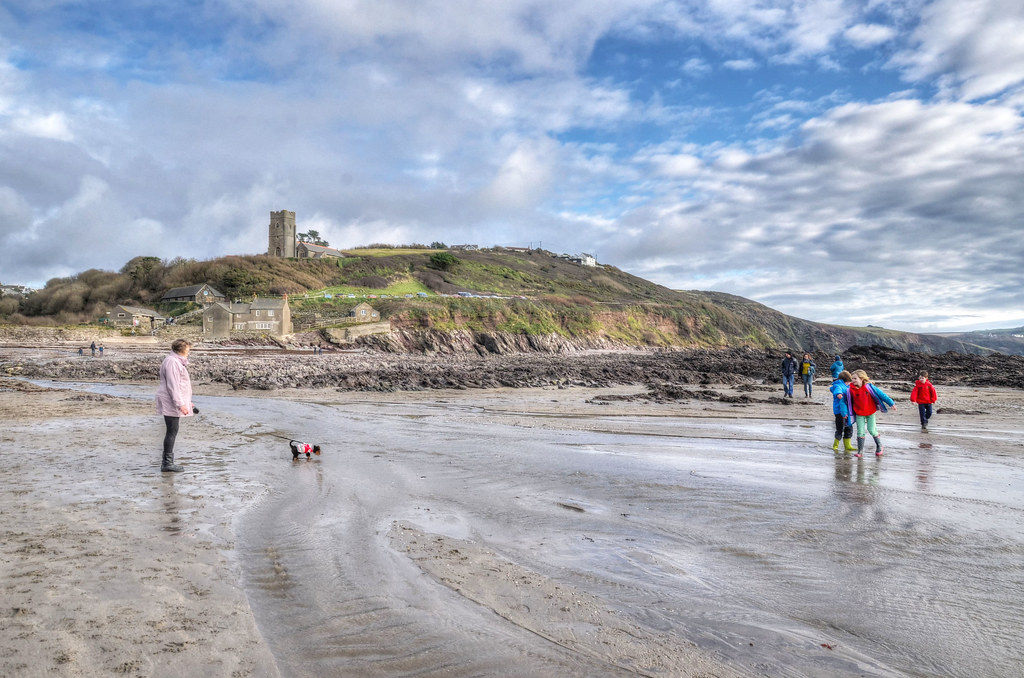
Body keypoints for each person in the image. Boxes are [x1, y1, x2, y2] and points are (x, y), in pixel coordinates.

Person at [154, 339, 195, 472]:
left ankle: (167, 462)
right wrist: (180, 404)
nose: (189, 353)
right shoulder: (172, 362)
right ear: (181, 350)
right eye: (188, 350)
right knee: (172, 431)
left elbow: (180, 386)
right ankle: (167, 463)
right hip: (171, 401)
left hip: (173, 401)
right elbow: (173, 386)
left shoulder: (175, 361)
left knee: (172, 430)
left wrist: (187, 402)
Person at [848, 369, 896, 457]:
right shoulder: (850, 389)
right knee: (860, 431)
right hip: (859, 413)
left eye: (855, 378)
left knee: (872, 430)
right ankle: (860, 451)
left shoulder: (869, 387)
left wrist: (891, 403)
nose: (853, 380)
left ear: (861, 379)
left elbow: (882, 394)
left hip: (870, 412)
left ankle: (879, 446)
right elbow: (845, 400)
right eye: (852, 378)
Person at [830, 370, 856, 452]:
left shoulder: (847, 386)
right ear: (846, 380)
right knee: (840, 428)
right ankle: (835, 445)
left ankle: (847, 445)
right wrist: (839, 395)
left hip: (848, 411)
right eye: (848, 381)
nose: (849, 383)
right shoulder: (838, 385)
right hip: (839, 411)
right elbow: (837, 391)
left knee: (849, 427)